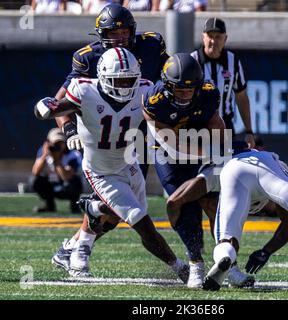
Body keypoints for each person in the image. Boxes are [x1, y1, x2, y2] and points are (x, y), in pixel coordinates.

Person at [34, 47, 189, 282]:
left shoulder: (145, 89)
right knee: (142, 223)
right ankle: (179, 268)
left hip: (129, 163)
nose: (126, 86)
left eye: (130, 79)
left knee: (117, 218)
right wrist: (60, 121)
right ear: (104, 77)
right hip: (100, 171)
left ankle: (76, 241)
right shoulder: (85, 90)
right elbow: (52, 108)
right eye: (120, 80)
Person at [51, 3, 169, 275]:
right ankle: (79, 247)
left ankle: (72, 247)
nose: (119, 38)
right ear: (101, 35)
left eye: (124, 32)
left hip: (137, 131)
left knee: (117, 211)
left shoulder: (150, 46)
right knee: (123, 207)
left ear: (133, 31)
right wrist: (69, 131)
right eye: (112, 33)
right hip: (104, 136)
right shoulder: (89, 58)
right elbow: (59, 102)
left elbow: (169, 74)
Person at [142, 53, 226, 288]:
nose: (184, 95)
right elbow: (170, 142)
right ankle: (196, 263)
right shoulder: (153, 99)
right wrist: (204, 152)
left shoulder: (209, 93)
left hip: (199, 144)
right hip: (166, 149)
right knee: (183, 203)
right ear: (168, 86)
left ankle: (227, 261)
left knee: (213, 203)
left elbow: (217, 127)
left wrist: (219, 152)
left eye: (189, 90)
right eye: (179, 90)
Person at [202, 148, 288, 291]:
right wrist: (266, 251)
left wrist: (266, 251)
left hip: (235, 167)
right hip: (266, 165)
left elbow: (192, 189)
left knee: (226, 240)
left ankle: (224, 257)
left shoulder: (212, 174)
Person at [191, 18, 255, 148]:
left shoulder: (233, 61)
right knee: (196, 166)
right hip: (197, 126)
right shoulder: (192, 61)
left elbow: (241, 97)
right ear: (203, 37)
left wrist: (249, 131)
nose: (213, 41)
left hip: (225, 126)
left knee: (225, 167)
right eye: (210, 36)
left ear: (225, 39)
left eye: (218, 37)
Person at [31, 128, 83, 213]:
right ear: (48, 143)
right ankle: (49, 205)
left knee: (75, 182)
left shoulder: (73, 155)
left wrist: (57, 160)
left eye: (60, 143)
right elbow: (35, 172)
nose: (58, 146)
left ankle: (74, 205)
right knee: (34, 180)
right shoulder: (44, 152)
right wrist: (45, 155)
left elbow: (66, 178)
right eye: (55, 143)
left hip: (66, 188)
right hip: (51, 186)